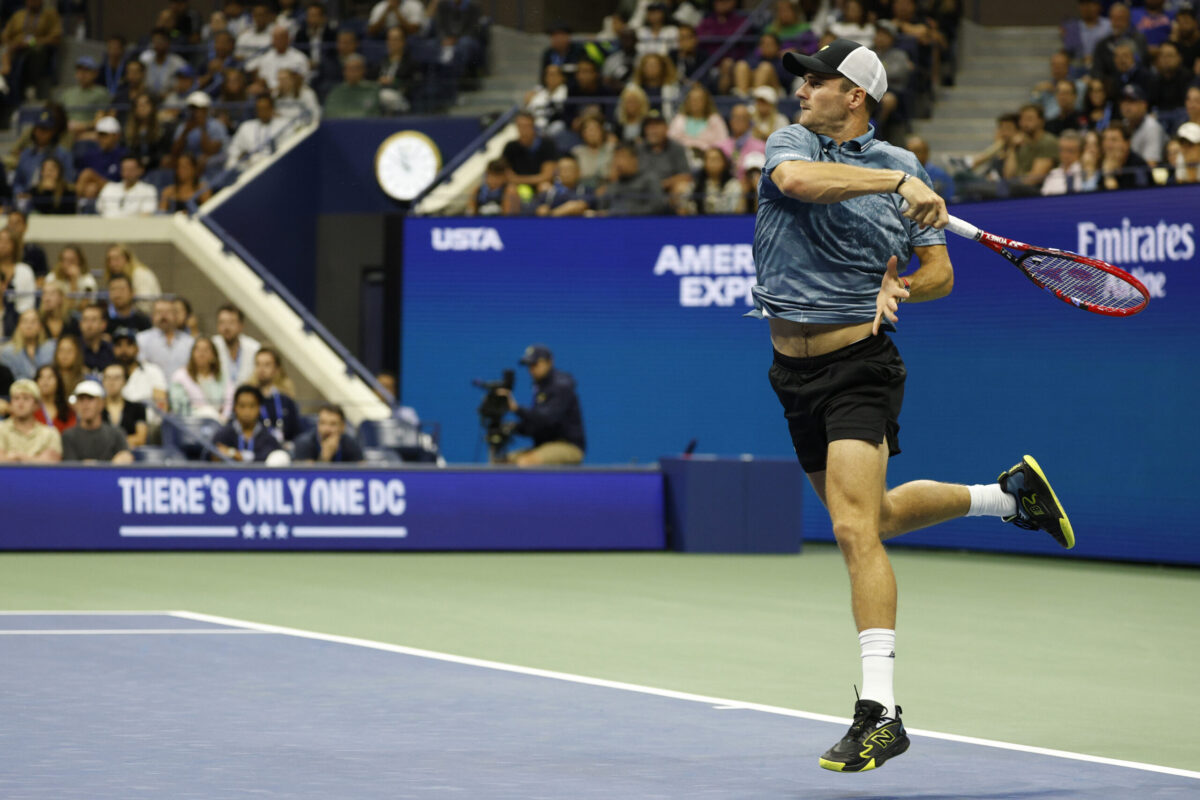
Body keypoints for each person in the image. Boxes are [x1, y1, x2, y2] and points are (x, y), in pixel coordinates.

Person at [752, 38, 1074, 773]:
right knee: (878, 517)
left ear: (854, 95)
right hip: (788, 371)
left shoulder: (909, 168)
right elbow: (798, 182)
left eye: (817, 80)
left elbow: (941, 274)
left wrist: (903, 287)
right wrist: (890, 187)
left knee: (849, 527)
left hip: (860, 365)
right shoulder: (794, 144)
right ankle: (1006, 498)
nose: (802, 88)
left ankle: (881, 712)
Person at [492, 344, 585, 466]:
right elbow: (536, 426)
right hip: (544, 446)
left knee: (526, 462)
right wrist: (513, 428)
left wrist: (516, 409)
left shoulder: (562, 385)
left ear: (549, 362)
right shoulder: (540, 387)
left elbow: (546, 420)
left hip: (568, 446)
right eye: (529, 365)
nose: (531, 370)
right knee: (503, 463)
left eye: (535, 364)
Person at [61, 379, 133, 463]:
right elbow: (71, 469)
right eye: (81, 399)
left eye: (90, 399)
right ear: (76, 405)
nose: (85, 404)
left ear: (101, 403)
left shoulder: (116, 433)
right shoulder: (68, 436)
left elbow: (126, 458)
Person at [212, 384, 285, 462]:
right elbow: (212, 454)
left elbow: (269, 456)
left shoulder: (268, 437)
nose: (247, 412)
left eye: (252, 406)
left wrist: (234, 454)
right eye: (242, 406)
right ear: (235, 407)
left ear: (260, 408)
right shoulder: (223, 435)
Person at [169, 337, 233, 420]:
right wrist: (208, 414)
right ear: (192, 354)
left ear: (214, 355)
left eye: (206, 350)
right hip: (189, 423)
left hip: (220, 423)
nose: (201, 353)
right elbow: (179, 407)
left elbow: (229, 402)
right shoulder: (180, 376)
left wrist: (224, 417)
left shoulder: (222, 376)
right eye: (197, 350)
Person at [0, 378, 61, 463]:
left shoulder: (50, 433)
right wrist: (36, 459)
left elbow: (50, 463)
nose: (20, 403)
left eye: (26, 398)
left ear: (36, 405)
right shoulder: (1, 429)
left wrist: (19, 457)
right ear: (11, 402)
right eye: (16, 398)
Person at [1003, 103, 1059, 193]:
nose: (1025, 123)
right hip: (1017, 188)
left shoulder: (1048, 142)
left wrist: (1013, 183)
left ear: (1041, 121)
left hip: (1038, 190)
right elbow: (1008, 175)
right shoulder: (1020, 143)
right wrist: (1012, 148)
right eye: (1022, 119)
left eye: (1030, 119)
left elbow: (1035, 178)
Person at [112, 327, 168, 413]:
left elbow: (162, 407)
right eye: (119, 345)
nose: (124, 350)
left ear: (137, 348)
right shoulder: (108, 374)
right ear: (113, 349)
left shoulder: (152, 371)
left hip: (149, 423)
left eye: (129, 344)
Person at [251, 345, 300, 441]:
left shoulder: (286, 400)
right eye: (258, 364)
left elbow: (296, 431)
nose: (261, 369)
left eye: (267, 365)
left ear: (277, 369)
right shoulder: (248, 397)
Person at [139, 298, 195, 381]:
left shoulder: (189, 342)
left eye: (168, 312)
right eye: (159, 312)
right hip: (152, 391)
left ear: (176, 316)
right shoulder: (141, 339)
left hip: (181, 390)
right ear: (152, 316)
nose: (163, 316)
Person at [680, 146, 745, 214]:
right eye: (710, 159)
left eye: (716, 159)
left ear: (724, 163)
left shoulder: (733, 185)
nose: (713, 162)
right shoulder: (696, 184)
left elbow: (738, 211)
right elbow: (685, 209)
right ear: (704, 163)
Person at [293, 402, 364, 463]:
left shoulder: (351, 443)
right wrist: (324, 458)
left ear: (342, 427)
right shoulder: (304, 443)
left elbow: (363, 472)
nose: (326, 429)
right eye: (322, 423)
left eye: (333, 424)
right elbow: (307, 476)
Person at [247, 25, 309, 92]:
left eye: (281, 38)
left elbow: (302, 80)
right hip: (270, 94)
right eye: (276, 38)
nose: (278, 41)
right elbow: (262, 80)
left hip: (292, 93)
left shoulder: (299, 58)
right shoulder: (266, 58)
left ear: (288, 39)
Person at [105, 245, 162, 315]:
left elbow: (145, 305)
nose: (112, 264)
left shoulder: (140, 274)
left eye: (117, 259)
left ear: (127, 259)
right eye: (109, 260)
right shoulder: (118, 277)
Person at [101, 362, 148, 448]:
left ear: (125, 381)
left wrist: (112, 444)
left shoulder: (138, 408)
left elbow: (141, 438)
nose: (112, 382)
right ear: (103, 381)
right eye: (108, 378)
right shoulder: (96, 409)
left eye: (117, 378)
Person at [0, 230, 37, 339]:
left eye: (7, 241)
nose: (2, 244)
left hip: (19, 323)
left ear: (14, 245)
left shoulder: (25, 271)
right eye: (0, 240)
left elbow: (28, 303)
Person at [1117, 83, 1166, 166]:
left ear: (1144, 105)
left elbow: (1151, 166)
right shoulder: (1123, 125)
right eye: (1123, 101)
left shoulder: (1152, 128)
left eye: (1131, 101)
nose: (1126, 106)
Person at [212, 303, 260, 386]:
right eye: (222, 323)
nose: (226, 328)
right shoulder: (212, 346)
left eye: (231, 323)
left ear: (241, 326)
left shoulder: (254, 348)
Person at [0, 308, 55, 379]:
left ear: (40, 326)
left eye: (33, 322)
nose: (29, 326)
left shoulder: (50, 348)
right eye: (25, 321)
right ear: (19, 326)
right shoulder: (7, 352)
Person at [324, 54, 382, 118]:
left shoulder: (375, 90)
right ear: (344, 71)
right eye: (349, 69)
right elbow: (330, 113)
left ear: (363, 70)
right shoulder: (336, 91)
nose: (352, 72)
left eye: (356, 69)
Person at [1098, 123, 1151, 190]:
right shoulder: (1100, 162)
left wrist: (1109, 176)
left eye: (1114, 140)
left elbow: (1139, 197)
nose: (1108, 145)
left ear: (1127, 144)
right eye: (1105, 140)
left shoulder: (1138, 166)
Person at [1041, 130, 1093, 195]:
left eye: (1070, 151)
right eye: (1062, 150)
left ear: (1080, 152)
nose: (1065, 155)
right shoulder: (1053, 175)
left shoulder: (1086, 171)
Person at [52, 245, 97, 315]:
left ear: (80, 261)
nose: (67, 264)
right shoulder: (52, 278)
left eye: (71, 260)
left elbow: (82, 307)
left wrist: (74, 281)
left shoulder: (88, 281)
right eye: (64, 260)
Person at [33, 364, 75, 432]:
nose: (45, 381)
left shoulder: (67, 411)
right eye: (41, 377)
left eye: (50, 377)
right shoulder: (30, 409)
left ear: (58, 381)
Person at [6, 210, 47, 280]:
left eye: (17, 223)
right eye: (10, 223)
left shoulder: (35, 252)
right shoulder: (2, 251)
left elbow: (41, 278)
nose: (13, 227)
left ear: (25, 226)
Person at [78, 302, 116, 372]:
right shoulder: (74, 349)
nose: (89, 325)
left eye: (93, 320)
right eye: (85, 320)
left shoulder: (111, 350)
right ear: (80, 324)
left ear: (103, 324)